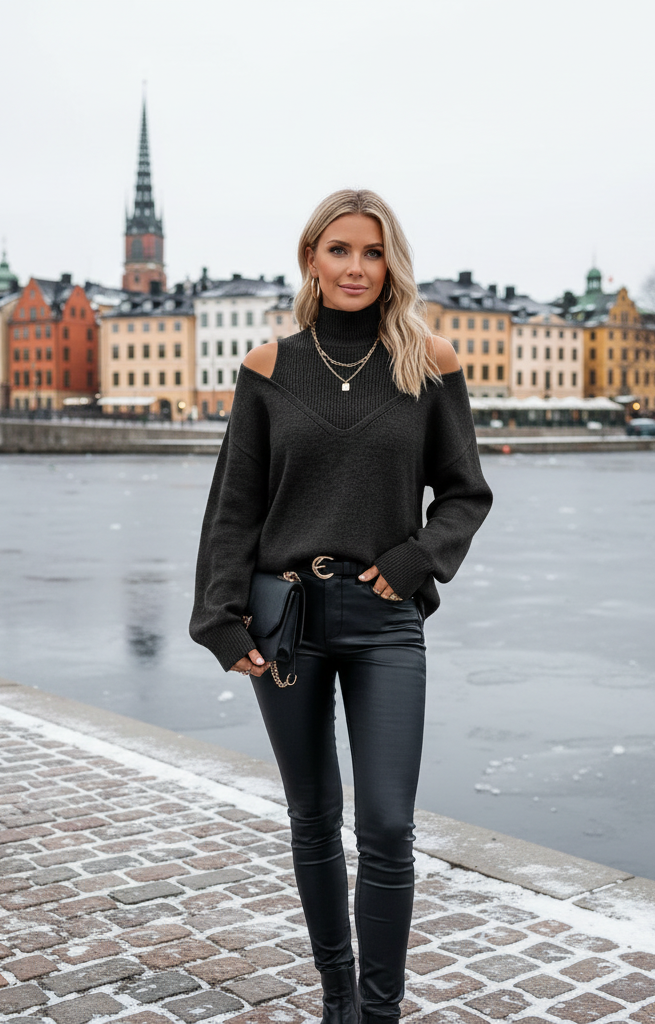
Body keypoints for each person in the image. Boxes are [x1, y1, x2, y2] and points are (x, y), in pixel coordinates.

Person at [189, 189, 492, 1024]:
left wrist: (413, 559)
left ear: (390, 262)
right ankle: (337, 1002)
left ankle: (379, 1010)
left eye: (371, 252)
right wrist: (220, 618)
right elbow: (234, 509)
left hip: (384, 621)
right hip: (283, 620)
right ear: (310, 260)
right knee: (314, 816)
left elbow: (466, 494)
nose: (355, 267)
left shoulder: (429, 363)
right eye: (338, 251)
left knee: (388, 827)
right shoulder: (267, 367)